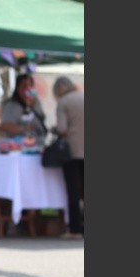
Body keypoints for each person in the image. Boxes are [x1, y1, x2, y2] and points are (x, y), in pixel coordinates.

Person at [52, 76, 84, 239]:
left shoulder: (63, 102)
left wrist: (54, 130)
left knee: (73, 192)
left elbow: (62, 128)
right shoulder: (83, 97)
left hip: (72, 151)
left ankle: (75, 229)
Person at [0, 73, 48, 150]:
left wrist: (31, 105)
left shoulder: (36, 102)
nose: (28, 88)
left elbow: (42, 117)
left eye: (30, 85)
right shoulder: (11, 105)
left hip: (38, 145)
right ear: (18, 88)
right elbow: (5, 126)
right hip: (18, 148)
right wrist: (24, 129)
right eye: (24, 86)